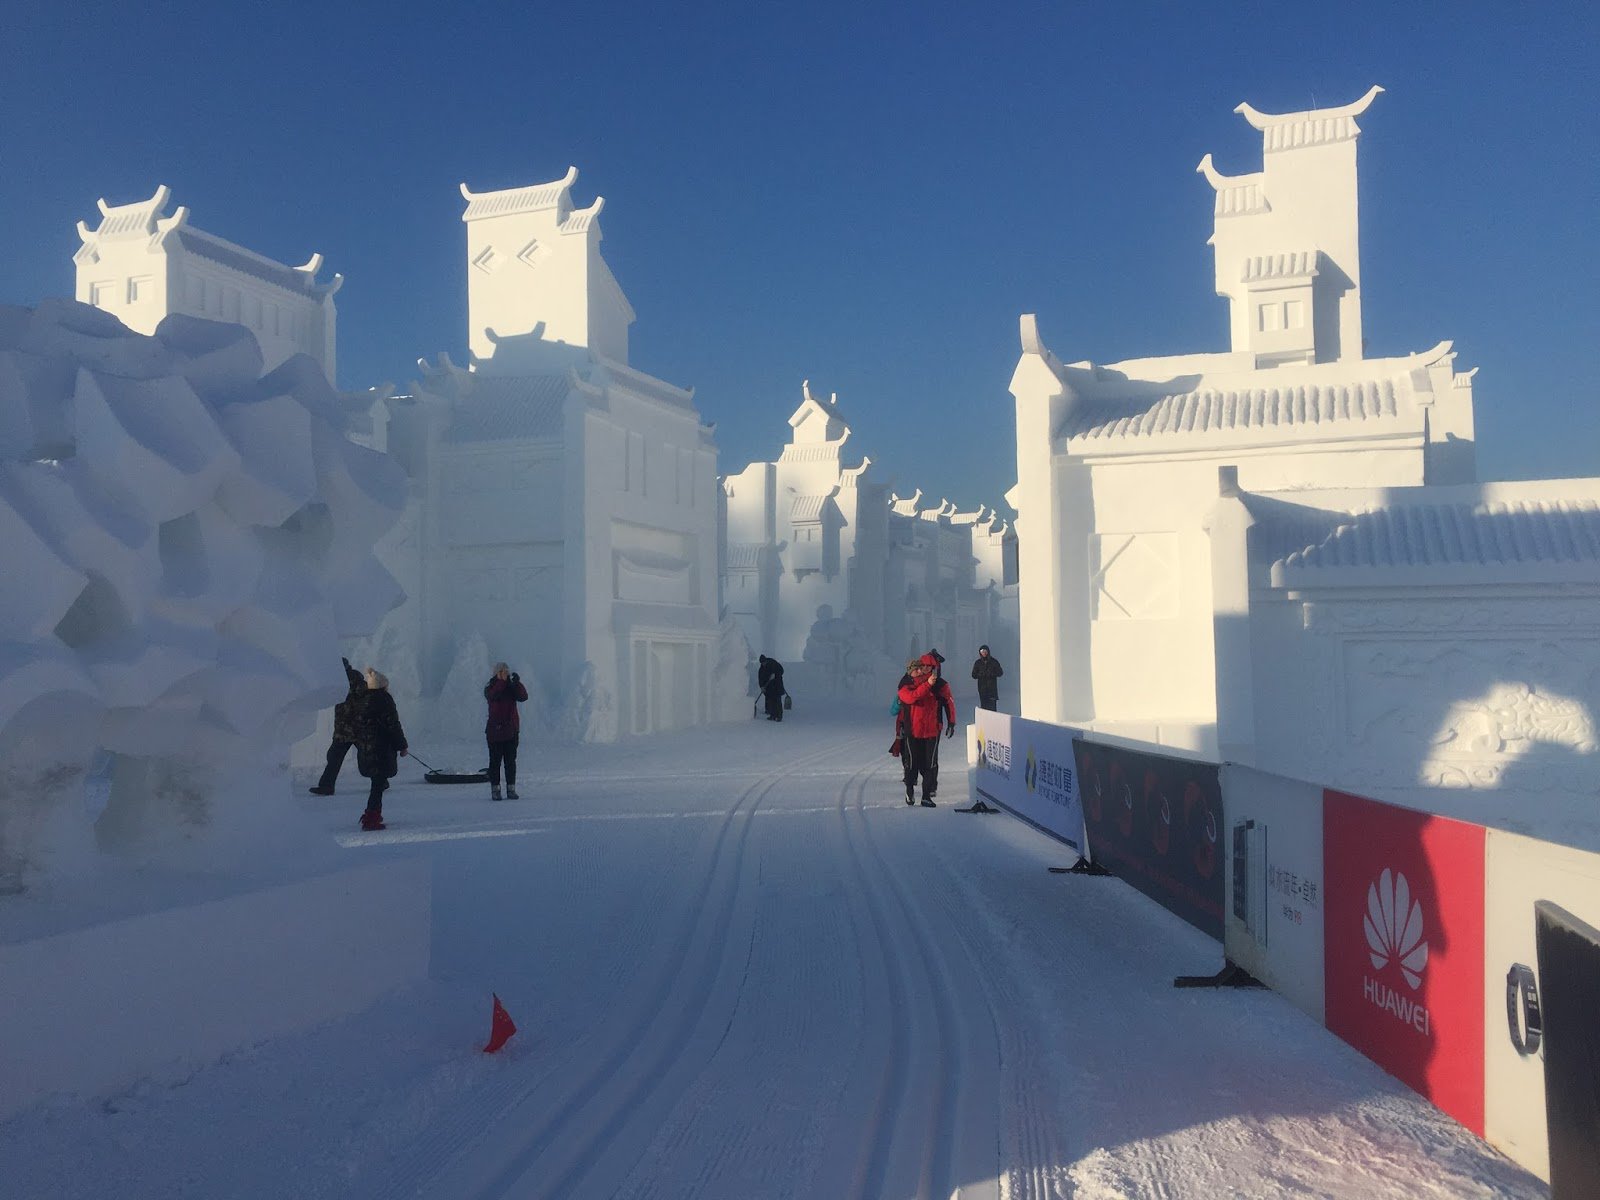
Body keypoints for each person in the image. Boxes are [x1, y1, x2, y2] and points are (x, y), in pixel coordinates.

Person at [898, 653, 957, 807]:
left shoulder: (940, 684)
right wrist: (928, 684)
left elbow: (948, 702)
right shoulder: (907, 682)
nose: (924, 669)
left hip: (932, 730)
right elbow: (911, 697)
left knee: (930, 764)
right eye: (921, 666)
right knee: (911, 762)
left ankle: (926, 795)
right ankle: (910, 790)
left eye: (928, 667)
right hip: (913, 730)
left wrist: (951, 722)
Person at [354, 668, 408, 831]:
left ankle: (372, 814)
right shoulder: (385, 700)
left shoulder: (362, 700)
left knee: (377, 782)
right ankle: (371, 817)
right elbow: (393, 725)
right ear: (382, 686)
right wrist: (402, 745)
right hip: (381, 748)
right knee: (377, 785)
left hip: (366, 747)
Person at [309, 657, 365, 795]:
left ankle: (327, 786)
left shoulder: (353, 680)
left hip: (355, 728)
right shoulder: (343, 681)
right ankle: (326, 786)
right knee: (335, 757)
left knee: (339, 758)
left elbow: (363, 701)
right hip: (346, 728)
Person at [484, 662, 529, 801]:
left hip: (511, 731)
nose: (505, 674)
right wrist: (501, 682)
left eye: (506, 671)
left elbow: (523, 697)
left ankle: (511, 789)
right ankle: (495, 790)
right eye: (502, 671)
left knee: (510, 762)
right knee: (495, 762)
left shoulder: (511, 687)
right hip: (495, 731)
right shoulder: (490, 686)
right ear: (496, 673)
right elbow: (493, 695)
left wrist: (517, 683)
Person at [971, 644, 1004, 712]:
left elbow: (1000, 673)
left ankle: (993, 718)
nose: (984, 653)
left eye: (985, 651)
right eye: (982, 651)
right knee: (984, 708)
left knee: (992, 708)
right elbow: (973, 675)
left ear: (988, 651)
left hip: (992, 689)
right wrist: (980, 674)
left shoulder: (994, 662)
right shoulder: (978, 663)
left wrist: (992, 674)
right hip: (982, 689)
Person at [757, 654, 787, 721]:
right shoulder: (761, 669)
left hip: (777, 685)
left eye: (764, 662)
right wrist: (762, 687)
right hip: (769, 687)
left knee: (777, 701)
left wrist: (775, 675)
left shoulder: (773, 663)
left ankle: (779, 716)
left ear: (766, 660)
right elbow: (760, 679)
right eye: (762, 663)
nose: (763, 664)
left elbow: (781, 670)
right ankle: (772, 715)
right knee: (770, 701)